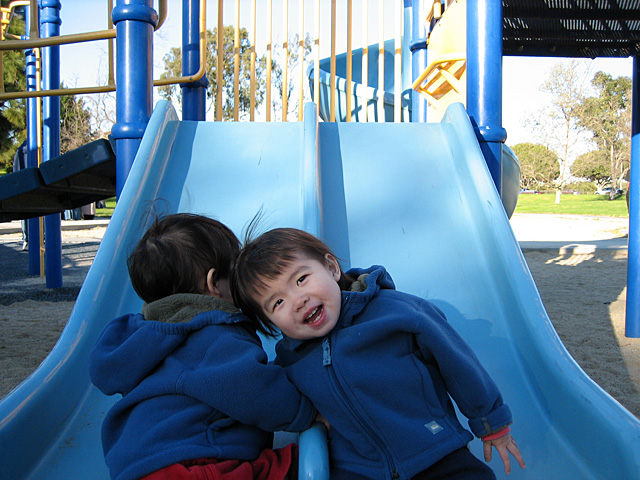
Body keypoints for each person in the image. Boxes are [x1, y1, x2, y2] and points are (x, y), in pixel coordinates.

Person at [232, 228, 526, 480]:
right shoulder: (290, 359)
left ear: (332, 268)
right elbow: (266, 397)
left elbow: (456, 361)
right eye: (278, 302)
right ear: (270, 324)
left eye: (301, 280)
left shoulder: (394, 312)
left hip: (436, 452)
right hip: (358, 469)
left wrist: (490, 419)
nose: (298, 300)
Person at [89, 214, 317, 480]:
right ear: (213, 284)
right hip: (191, 466)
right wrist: (306, 412)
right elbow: (252, 390)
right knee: (291, 467)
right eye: (236, 271)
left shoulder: (142, 339)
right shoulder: (212, 334)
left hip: (138, 466)